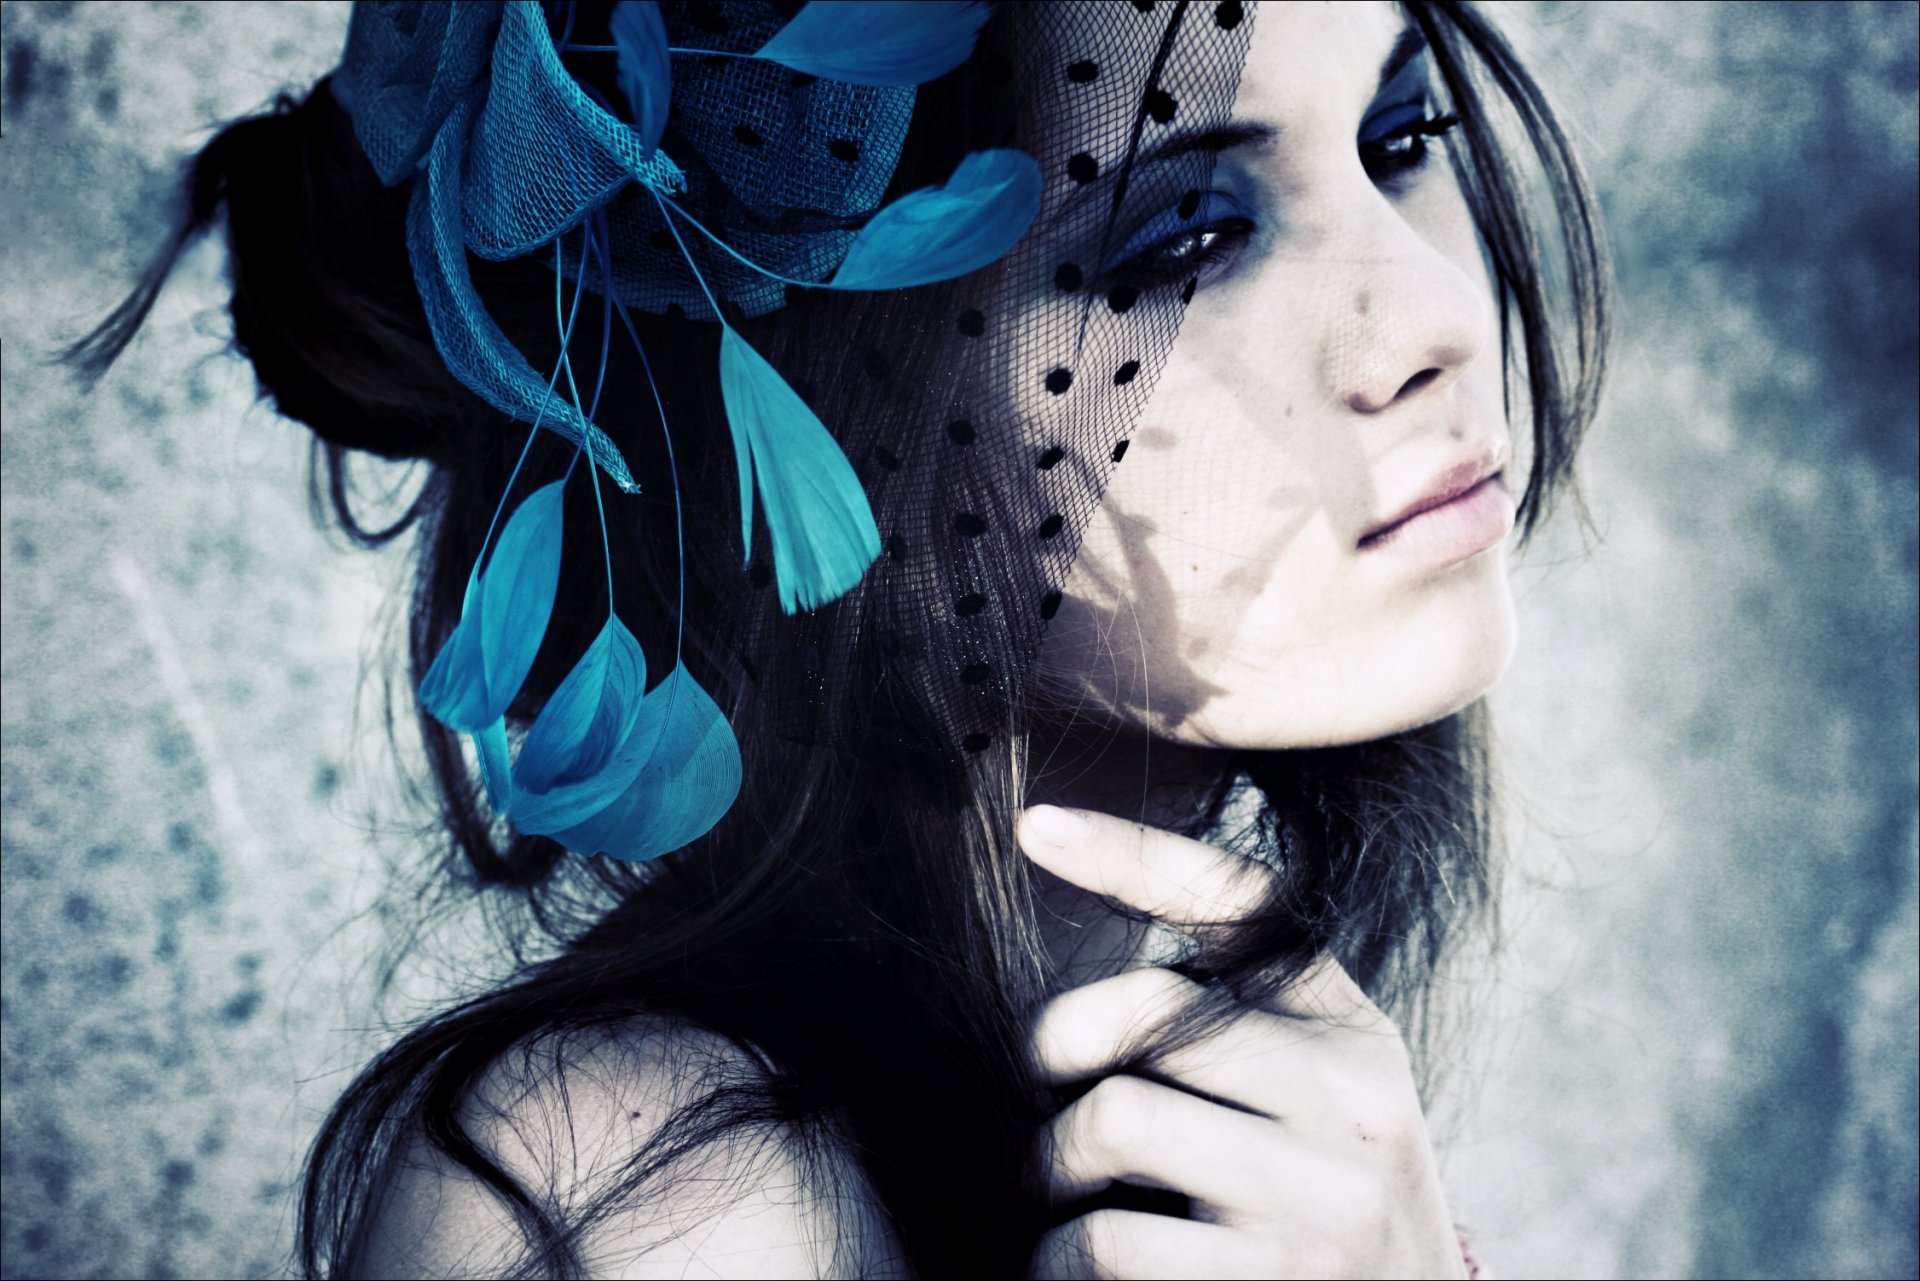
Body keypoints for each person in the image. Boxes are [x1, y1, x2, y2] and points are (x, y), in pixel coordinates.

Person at [60, 0, 1607, 1275]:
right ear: (836, 402)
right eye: (1185, 238)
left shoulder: (1243, 1094)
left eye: (1401, 138)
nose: (1437, 316)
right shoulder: (663, 1206)